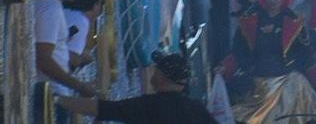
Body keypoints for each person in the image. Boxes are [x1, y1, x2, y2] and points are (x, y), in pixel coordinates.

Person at [63, 52, 216, 124]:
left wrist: (56, 99)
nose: (153, 69)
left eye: (157, 68)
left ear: (162, 79)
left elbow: (104, 109)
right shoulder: (197, 109)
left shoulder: (153, 106)